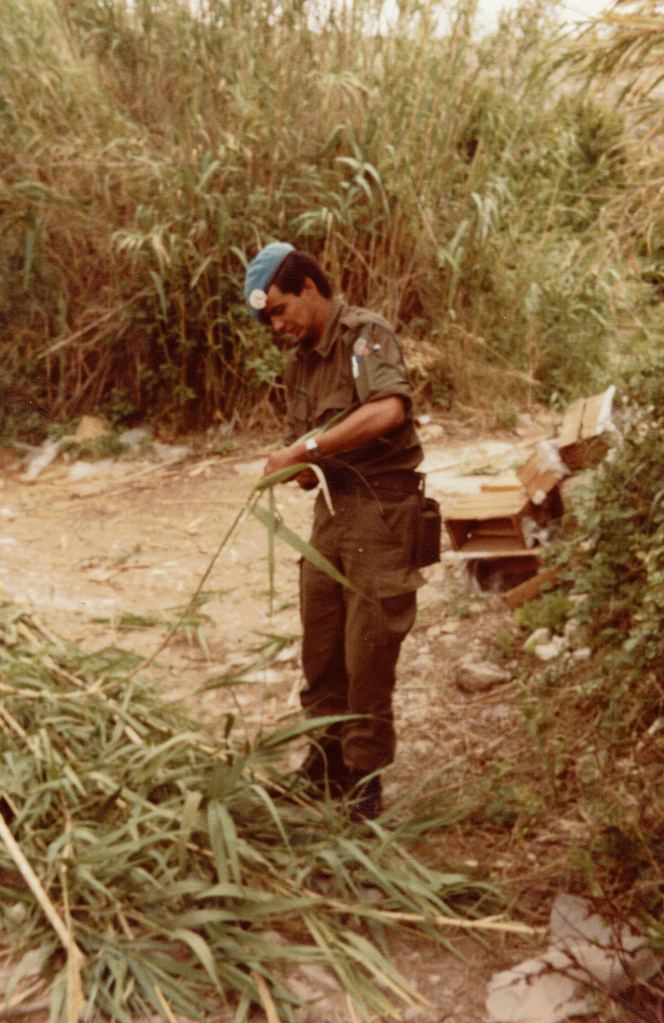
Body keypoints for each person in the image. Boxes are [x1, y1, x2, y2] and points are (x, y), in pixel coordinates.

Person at [243, 242, 426, 820]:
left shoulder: (363, 336)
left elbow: (388, 409)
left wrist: (308, 450)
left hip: (382, 511)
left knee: (367, 650)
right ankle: (324, 765)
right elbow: (308, 451)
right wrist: (296, 468)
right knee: (321, 646)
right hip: (331, 512)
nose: (277, 326)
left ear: (309, 288)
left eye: (279, 310)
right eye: (268, 320)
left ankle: (363, 782)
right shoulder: (300, 362)